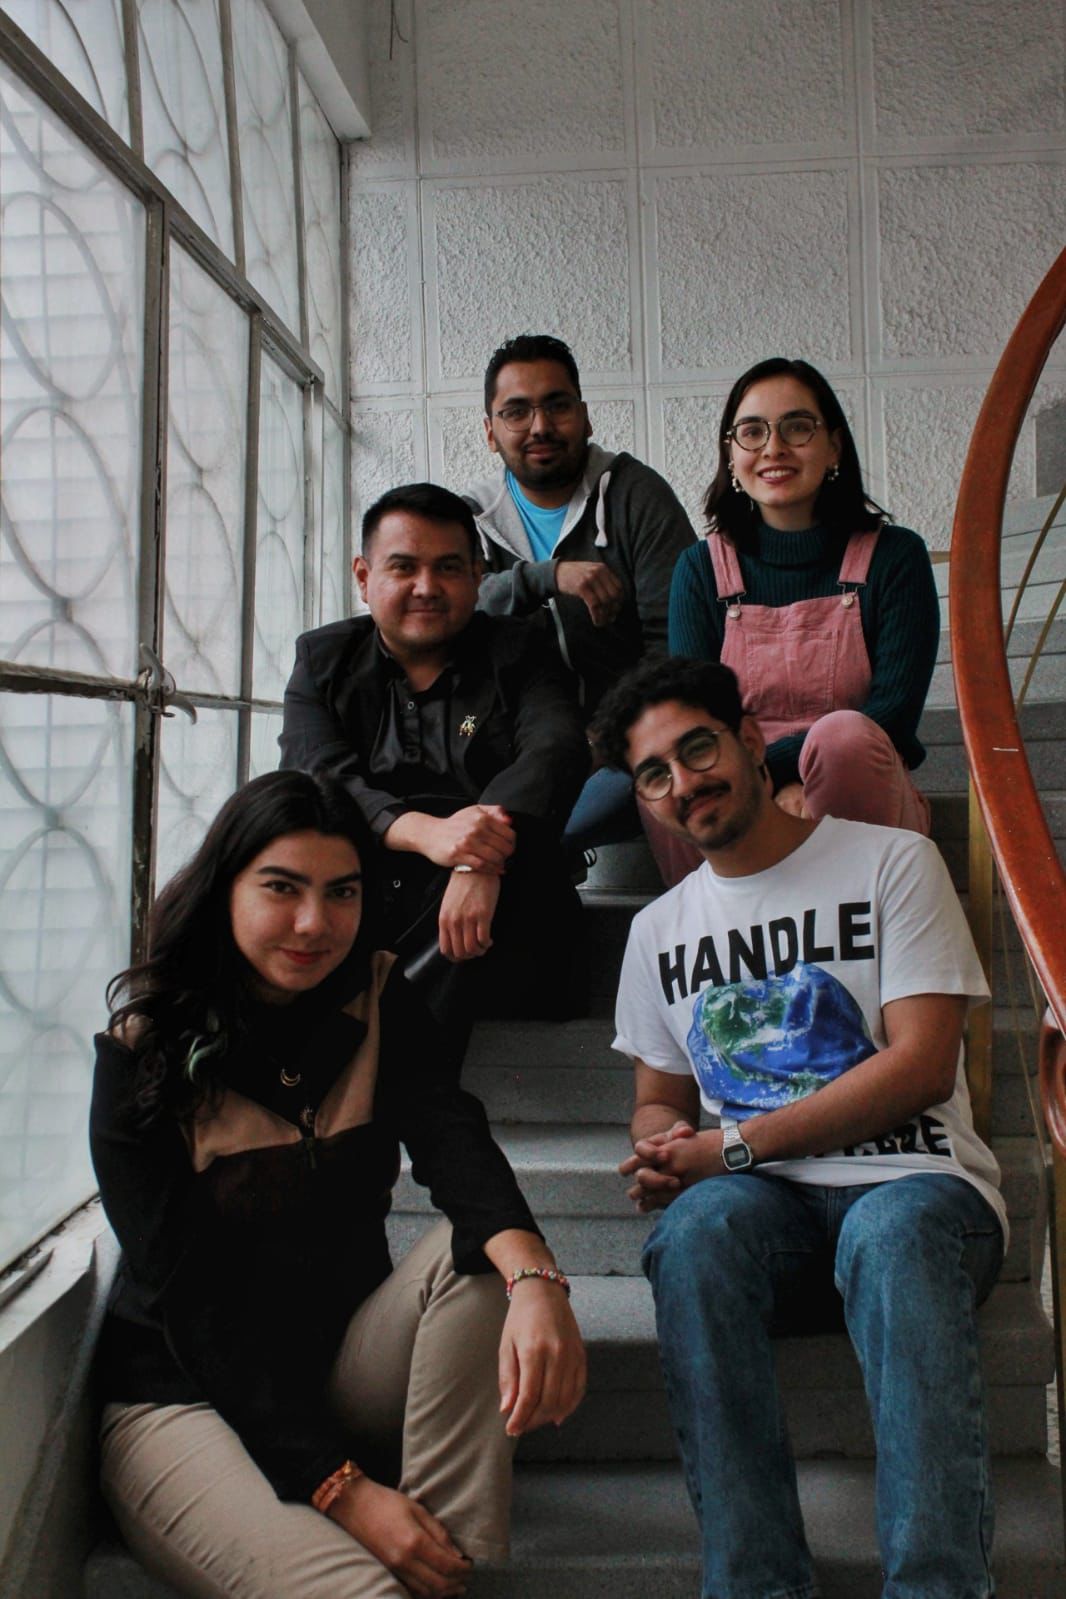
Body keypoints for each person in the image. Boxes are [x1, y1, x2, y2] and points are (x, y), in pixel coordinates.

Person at [91, 770, 586, 1599]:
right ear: (224, 888)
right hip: (184, 1399)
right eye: (281, 888)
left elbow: (454, 1142)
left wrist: (537, 1277)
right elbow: (196, 1306)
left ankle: (443, 1555)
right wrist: (342, 1489)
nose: (314, 922)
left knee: (482, 1260)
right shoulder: (142, 1052)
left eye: (342, 892)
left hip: (337, 1368)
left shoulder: (378, 999)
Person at [591, 656, 1005, 1599]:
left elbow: (922, 1064)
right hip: (767, 1216)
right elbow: (660, 1097)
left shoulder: (890, 861)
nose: (682, 782)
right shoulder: (658, 929)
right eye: (653, 773)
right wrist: (663, 1146)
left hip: (919, 1189)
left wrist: (733, 1146)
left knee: (891, 1234)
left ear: (748, 739)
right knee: (693, 1235)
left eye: (697, 749)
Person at [279, 482, 589, 1050]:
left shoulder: (523, 649)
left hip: (501, 911)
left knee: (523, 851)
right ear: (364, 577)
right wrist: (426, 833)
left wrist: (473, 861)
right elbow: (316, 774)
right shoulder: (322, 661)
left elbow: (556, 751)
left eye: (448, 568)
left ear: (477, 576)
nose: (426, 587)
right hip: (370, 899)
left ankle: (369, 1048)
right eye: (404, 567)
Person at [658, 356, 940, 885]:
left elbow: (894, 715)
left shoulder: (894, 557)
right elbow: (693, 721)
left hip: (861, 801)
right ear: (730, 453)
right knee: (663, 775)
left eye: (797, 427)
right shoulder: (700, 570)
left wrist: (787, 772)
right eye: (752, 431)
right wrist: (766, 794)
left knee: (842, 738)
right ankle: (714, 931)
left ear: (833, 447)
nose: (773, 448)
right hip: (740, 801)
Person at [463, 333, 697, 853]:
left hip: (628, 742)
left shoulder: (636, 495)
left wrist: (604, 736)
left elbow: (675, 646)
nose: (540, 426)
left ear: (586, 417)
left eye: (557, 406)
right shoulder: (471, 518)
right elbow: (451, 617)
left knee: (522, 833)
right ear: (490, 431)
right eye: (516, 412)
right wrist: (545, 577)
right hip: (514, 744)